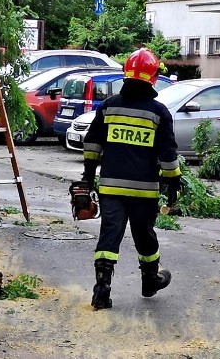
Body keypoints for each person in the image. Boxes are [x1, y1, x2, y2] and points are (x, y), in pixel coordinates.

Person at [81, 48, 181, 310]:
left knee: (109, 236)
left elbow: (92, 144)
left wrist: (87, 178)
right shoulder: (159, 112)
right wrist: (173, 186)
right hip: (145, 192)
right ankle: (150, 280)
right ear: (153, 77)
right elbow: (167, 155)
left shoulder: (109, 106)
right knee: (145, 236)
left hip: (111, 188)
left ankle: (101, 290)